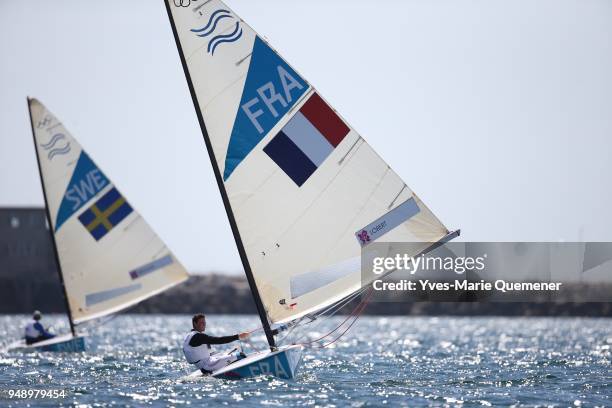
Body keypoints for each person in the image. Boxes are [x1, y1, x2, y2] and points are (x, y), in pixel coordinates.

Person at [182, 313, 251, 374]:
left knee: (227, 354)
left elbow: (202, 352)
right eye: (201, 323)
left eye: (204, 322)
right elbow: (219, 340)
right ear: (195, 323)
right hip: (209, 366)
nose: (204, 324)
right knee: (240, 355)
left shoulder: (189, 336)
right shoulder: (198, 336)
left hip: (204, 366)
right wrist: (238, 336)